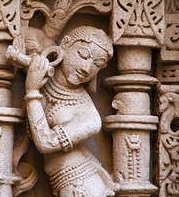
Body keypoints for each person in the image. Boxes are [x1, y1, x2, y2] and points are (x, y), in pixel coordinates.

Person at [25, 26, 117, 196]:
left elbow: (45, 143)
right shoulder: (46, 79)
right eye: (83, 55)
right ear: (65, 44)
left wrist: (31, 91)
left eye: (97, 65)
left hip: (81, 183)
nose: (87, 68)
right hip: (65, 182)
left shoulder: (91, 119)